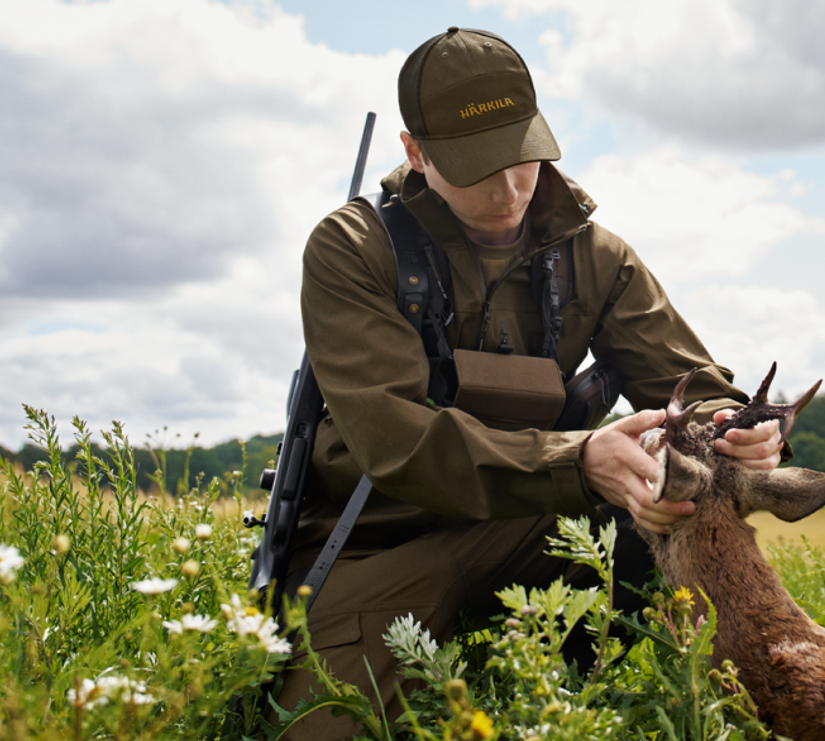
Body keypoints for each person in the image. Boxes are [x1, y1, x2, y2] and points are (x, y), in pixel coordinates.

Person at [271, 27, 785, 738]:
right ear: (415, 153)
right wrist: (578, 460)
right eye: (477, 166)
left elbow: (690, 382)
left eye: (523, 155)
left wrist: (737, 428)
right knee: (320, 728)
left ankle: (571, 684)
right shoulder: (352, 250)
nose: (510, 187)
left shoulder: (597, 256)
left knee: (678, 512)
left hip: (541, 527)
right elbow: (395, 442)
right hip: (383, 540)